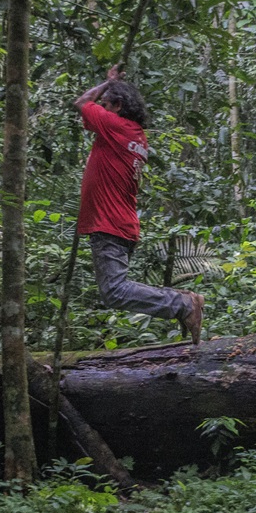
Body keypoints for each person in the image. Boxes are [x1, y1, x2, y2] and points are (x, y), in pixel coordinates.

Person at [72, 65, 204, 344]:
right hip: (118, 222)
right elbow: (88, 116)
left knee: (115, 292)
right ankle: (181, 303)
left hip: (110, 223)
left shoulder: (115, 127)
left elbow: (82, 103)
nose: (101, 108)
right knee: (115, 290)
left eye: (106, 105)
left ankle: (183, 305)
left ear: (117, 107)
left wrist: (106, 83)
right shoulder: (133, 134)